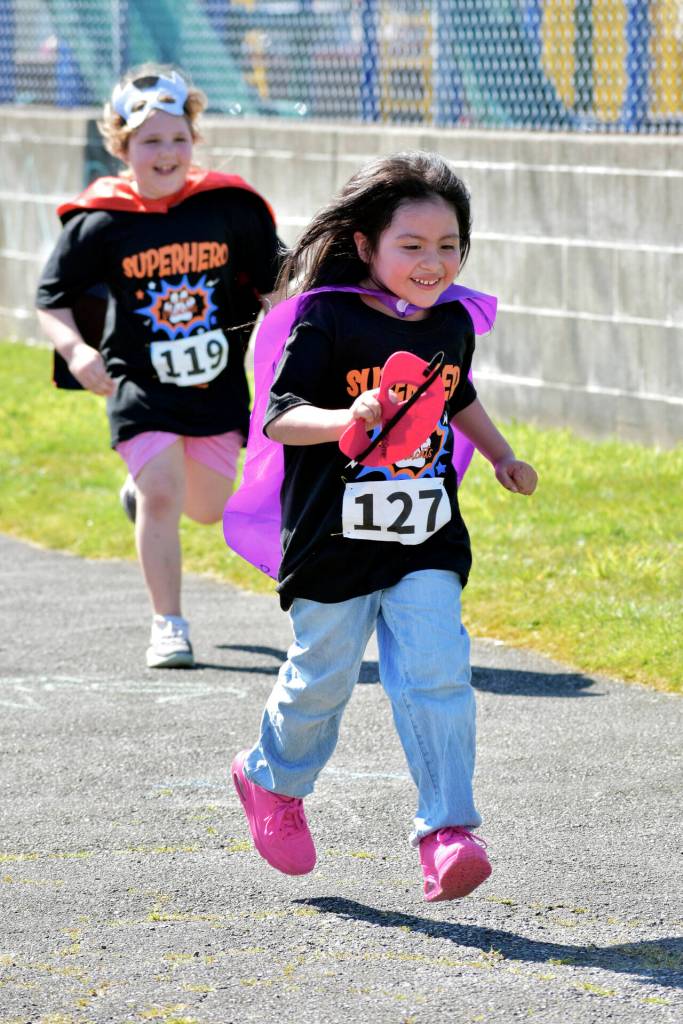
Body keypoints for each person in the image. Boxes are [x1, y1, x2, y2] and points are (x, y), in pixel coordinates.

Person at [229, 151, 538, 902]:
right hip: (332, 541)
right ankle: (270, 779)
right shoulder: (324, 317)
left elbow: (454, 390)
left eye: (448, 245)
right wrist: (346, 418)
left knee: (438, 675)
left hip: (423, 534)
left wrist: (498, 453)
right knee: (323, 680)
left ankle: (447, 832)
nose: (433, 262)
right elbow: (281, 416)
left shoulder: (451, 320)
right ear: (364, 245)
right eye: (412, 245)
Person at [36, 64, 282, 669]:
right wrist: (76, 350)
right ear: (122, 147)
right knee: (164, 495)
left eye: (178, 138)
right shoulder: (101, 218)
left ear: (194, 140)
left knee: (206, 507)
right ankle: (168, 624)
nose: (166, 152)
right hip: (138, 384)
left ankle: (142, 491)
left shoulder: (229, 207)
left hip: (216, 387)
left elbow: (278, 283)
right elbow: (53, 299)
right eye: (150, 141)